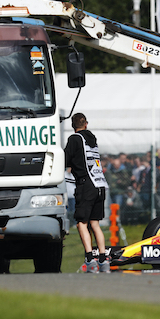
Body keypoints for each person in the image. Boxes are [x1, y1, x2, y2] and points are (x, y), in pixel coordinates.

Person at [64, 113, 110, 273]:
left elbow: (66, 158)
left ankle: (90, 260)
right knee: (95, 223)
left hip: (86, 185)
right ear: (86, 124)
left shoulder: (74, 139)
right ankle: (104, 260)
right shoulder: (92, 140)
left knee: (81, 222)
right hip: (100, 184)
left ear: (73, 126)